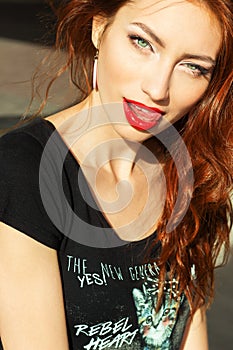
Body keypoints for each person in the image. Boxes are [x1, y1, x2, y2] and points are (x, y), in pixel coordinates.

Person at [0, 0, 232, 349]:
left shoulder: (192, 171)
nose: (157, 89)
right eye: (142, 43)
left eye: (192, 67)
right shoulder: (24, 173)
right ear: (99, 28)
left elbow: (189, 328)